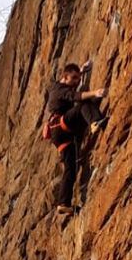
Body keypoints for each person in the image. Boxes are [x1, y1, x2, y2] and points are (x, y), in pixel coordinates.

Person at [44, 61, 108, 215]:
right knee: (82, 104)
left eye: (78, 79)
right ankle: (94, 122)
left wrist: (81, 70)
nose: (76, 82)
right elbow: (75, 95)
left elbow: (71, 85)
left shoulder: (60, 85)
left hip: (60, 135)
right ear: (64, 77)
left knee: (71, 169)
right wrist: (95, 93)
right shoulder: (59, 90)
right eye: (73, 79)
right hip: (60, 127)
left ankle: (63, 203)